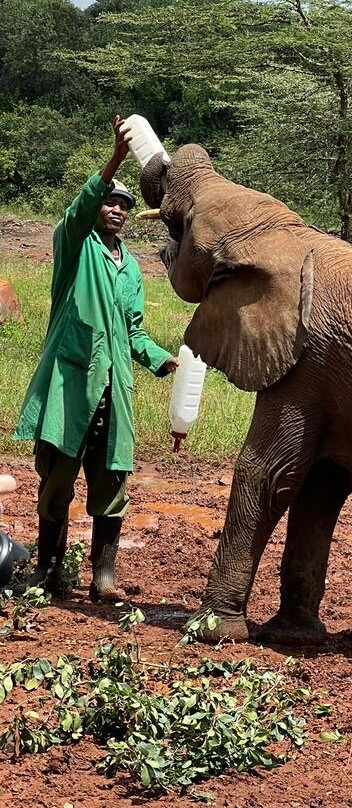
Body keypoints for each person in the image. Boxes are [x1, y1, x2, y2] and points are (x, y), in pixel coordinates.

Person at [13, 116, 177, 602]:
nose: (117, 209)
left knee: (111, 483)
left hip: (113, 389)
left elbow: (132, 330)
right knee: (57, 482)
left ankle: (103, 578)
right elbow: (79, 209)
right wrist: (115, 161)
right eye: (110, 201)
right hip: (70, 388)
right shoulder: (74, 246)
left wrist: (161, 359)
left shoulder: (131, 269)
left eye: (124, 205)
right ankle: (47, 572)